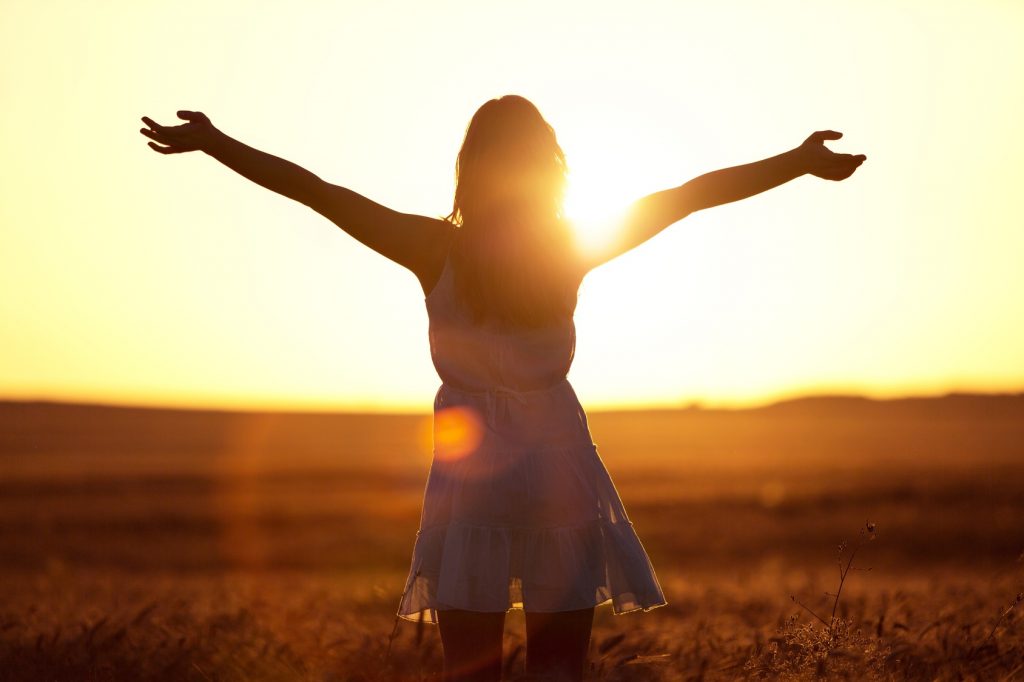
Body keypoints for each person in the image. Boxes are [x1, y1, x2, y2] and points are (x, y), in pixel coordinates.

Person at [139, 96, 865, 681]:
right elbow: (687, 197)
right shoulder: (570, 247)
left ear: (472, 168)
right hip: (559, 478)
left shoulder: (433, 249)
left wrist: (216, 142)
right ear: (547, 170)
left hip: (474, 486)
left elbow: (320, 193)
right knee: (557, 673)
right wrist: (798, 162)